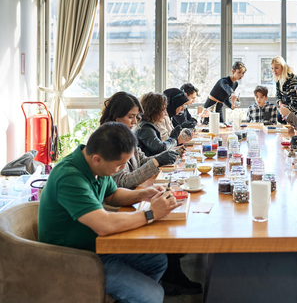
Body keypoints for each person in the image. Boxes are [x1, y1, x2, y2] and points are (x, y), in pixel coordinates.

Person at [38, 122, 182, 303]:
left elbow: (112, 195)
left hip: (99, 245)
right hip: (74, 257)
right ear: (97, 159)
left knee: (156, 260)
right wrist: (151, 213)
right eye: (120, 164)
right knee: (153, 295)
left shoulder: (95, 166)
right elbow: (104, 225)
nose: (122, 168)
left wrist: (143, 194)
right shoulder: (69, 177)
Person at [100, 92, 202, 296]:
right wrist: (157, 163)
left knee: (167, 209)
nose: (135, 122)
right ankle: (162, 283)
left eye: (137, 117)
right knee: (165, 218)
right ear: (116, 115)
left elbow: (142, 160)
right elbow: (120, 183)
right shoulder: (106, 141)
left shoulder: (126, 134)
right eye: (131, 117)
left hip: (127, 202)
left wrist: (158, 163)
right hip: (117, 214)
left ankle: (158, 282)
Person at [135, 92, 184, 157]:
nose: (165, 113)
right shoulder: (145, 127)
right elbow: (160, 149)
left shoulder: (148, 124)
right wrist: (173, 138)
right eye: (163, 110)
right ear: (154, 111)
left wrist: (175, 151)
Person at [271, 56, 297, 123]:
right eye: (272, 68)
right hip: (285, 108)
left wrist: (287, 112)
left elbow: (296, 102)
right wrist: (281, 105)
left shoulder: (292, 80)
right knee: (278, 116)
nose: (274, 71)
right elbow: (278, 95)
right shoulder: (278, 79)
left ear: (282, 67)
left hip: (295, 111)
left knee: (280, 117)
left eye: (276, 68)